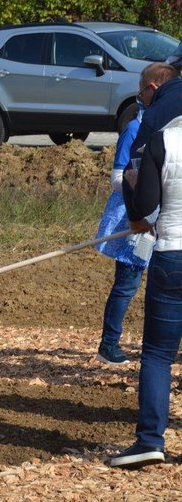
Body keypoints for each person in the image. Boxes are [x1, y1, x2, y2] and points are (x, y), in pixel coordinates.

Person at [109, 112, 182, 469]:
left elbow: (143, 207)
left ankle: (150, 440)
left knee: (157, 354)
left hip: (173, 253)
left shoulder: (163, 141)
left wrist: (131, 181)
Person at [93, 103, 150, 365]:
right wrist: (147, 181)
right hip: (132, 218)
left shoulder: (163, 130)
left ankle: (161, 345)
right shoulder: (134, 130)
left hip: (160, 218)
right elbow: (117, 178)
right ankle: (109, 344)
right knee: (127, 284)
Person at [129, 62, 182, 157]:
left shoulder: (154, 115)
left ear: (153, 88)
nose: (143, 100)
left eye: (141, 95)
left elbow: (137, 157)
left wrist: (128, 170)